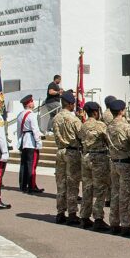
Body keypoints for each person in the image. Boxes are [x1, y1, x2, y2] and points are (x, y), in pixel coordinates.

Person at [105, 99, 130, 238]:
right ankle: (126, 224)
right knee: (126, 194)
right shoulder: (127, 127)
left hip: (114, 162)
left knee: (115, 193)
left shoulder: (108, 126)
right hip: (125, 162)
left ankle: (114, 222)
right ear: (122, 111)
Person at [52, 91, 82, 225]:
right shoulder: (74, 119)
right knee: (72, 183)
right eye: (73, 104)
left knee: (61, 183)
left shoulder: (56, 118)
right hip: (71, 152)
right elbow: (81, 135)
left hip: (60, 151)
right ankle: (72, 213)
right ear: (69, 104)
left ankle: (60, 212)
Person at [79, 101, 109, 231]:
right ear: (96, 112)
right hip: (98, 158)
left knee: (87, 188)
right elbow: (108, 139)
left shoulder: (83, 125)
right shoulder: (100, 125)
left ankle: (85, 216)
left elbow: (80, 138)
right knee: (100, 189)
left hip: (86, 157)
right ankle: (98, 218)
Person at [17, 93, 44, 194]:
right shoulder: (31, 115)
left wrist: (20, 141)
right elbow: (35, 130)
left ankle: (23, 185)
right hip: (31, 142)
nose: (33, 103)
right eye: (32, 101)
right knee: (32, 164)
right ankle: (32, 186)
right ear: (28, 104)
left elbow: (19, 131)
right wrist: (39, 143)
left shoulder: (20, 115)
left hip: (24, 140)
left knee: (23, 164)